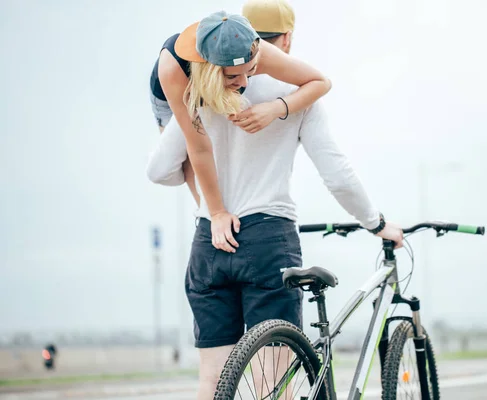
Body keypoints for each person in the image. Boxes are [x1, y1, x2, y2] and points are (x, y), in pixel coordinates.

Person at [147, 10, 405, 399]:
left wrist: (212, 206)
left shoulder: (195, 89)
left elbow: (159, 170)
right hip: (268, 240)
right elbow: (338, 176)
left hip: (211, 242)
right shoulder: (301, 96)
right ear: (285, 41)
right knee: (272, 383)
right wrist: (376, 223)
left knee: (213, 382)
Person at [147, 2, 329, 246]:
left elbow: (321, 82)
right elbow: (199, 147)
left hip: (222, 74)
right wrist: (217, 214)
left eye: (251, 71)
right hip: (176, 90)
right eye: (234, 76)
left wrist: (275, 109)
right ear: (214, 71)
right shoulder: (173, 71)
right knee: (189, 160)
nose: (244, 81)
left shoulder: (258, 50)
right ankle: (208, 220)